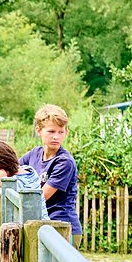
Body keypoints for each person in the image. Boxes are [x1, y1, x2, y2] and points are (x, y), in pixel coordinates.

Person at [19, 104, 82, 245]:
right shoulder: (33, 154)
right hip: (43, 225)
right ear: (38, 130)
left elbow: (39, 198)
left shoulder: (64, 162)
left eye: (61, 132)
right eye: (51, 131)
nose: (56, 137)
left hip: (62, 227)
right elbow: (12, 169)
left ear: (66, 132)